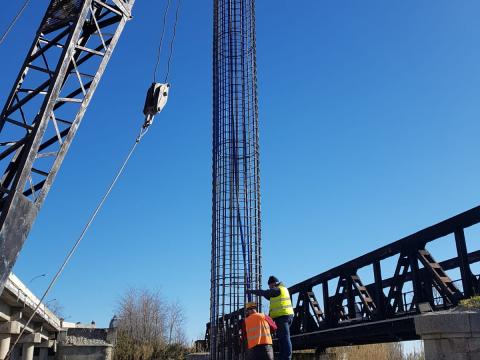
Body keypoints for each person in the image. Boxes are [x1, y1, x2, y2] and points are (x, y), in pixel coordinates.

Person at [247, 276, 294, 360]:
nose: (270, 288)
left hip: (283, 316)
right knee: (282, 339)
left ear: (274, 283)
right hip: (282, 317)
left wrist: (252, 291)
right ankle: (283, 357)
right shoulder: (277, 291)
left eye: (270, 286)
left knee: (285, 338)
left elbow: (265, 293)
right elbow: (267, 295)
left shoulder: (279, 289)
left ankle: (287, 357)